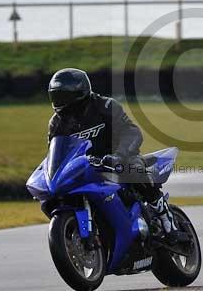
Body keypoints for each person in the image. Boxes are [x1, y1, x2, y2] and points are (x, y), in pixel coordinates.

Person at [46, 68, 182, 242]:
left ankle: (164, 216)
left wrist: (119, 155)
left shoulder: (105, 106)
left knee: (133, 169)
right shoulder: (56, 123)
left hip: (118, 158)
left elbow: (132, 132)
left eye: (64, 97)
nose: (60, 102)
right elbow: (54, 153)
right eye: (56, 97)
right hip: (85, 168)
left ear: (79, 94)